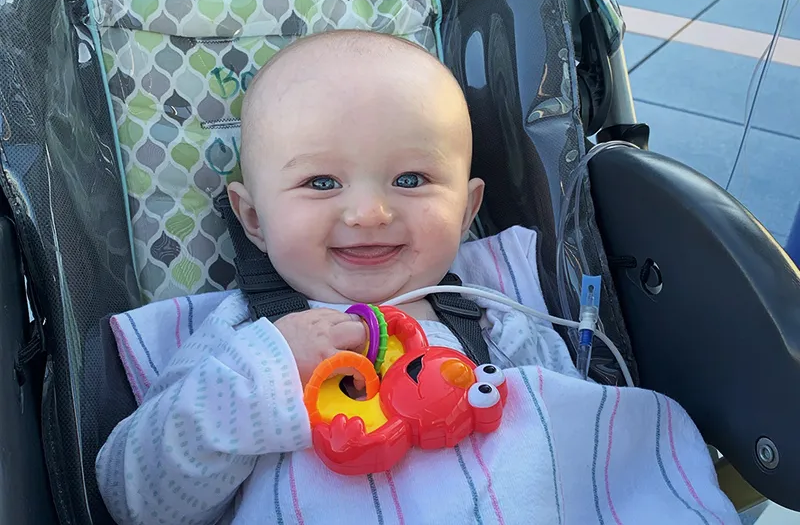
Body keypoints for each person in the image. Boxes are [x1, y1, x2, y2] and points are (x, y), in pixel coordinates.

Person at [96, 30, 740, 525]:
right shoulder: (241, 338)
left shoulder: (495, 311)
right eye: (321, 182)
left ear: (466, 211)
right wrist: (263, 374)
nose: (370, 212)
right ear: (255, 220)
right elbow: (138, 495)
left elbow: (572, 433)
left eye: (412, 180)